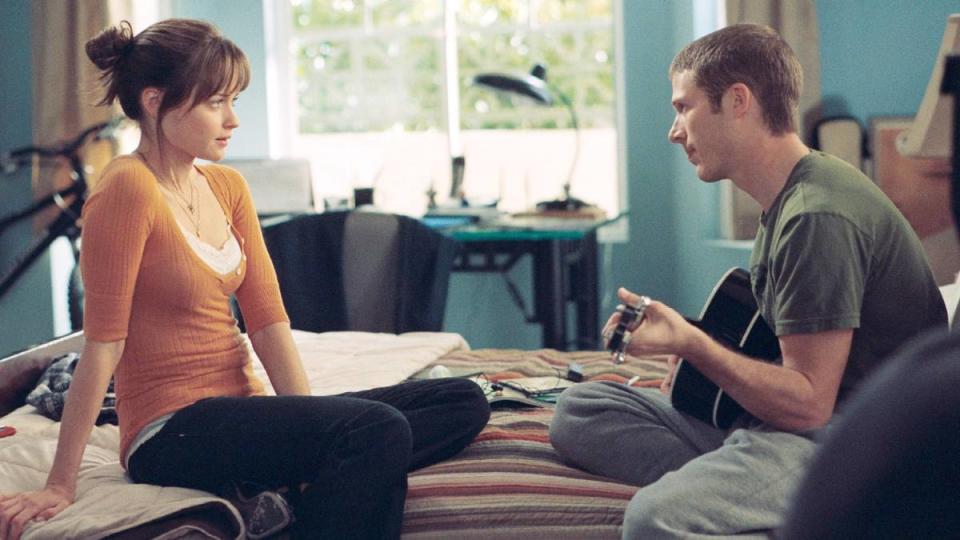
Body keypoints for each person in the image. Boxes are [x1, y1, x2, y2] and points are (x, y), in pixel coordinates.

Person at [0, 19, 490, 540]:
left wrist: (309, 421)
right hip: (170, 432)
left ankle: (298, 483)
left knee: (463, 401)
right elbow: (101, 346)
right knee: (377, 430)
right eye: (216, 102)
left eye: (235, 100)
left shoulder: (227, 186)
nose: (233, 119)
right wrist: (59, 483)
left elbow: (268, 321)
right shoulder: (125, 190)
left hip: (243, 409)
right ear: (153, 100)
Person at [548, 23, 947, 538]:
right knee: (579, 411)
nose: (674, 132)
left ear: (738, 101)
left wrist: (696, 347)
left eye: (683, 108)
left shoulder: (816, 216)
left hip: (845, 441)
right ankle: (739, 486)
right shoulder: (787, 197)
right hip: (780, 424)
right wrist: (703, 363)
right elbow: (785, 347)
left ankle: (753, 493)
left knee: (654, 517)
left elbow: (808, 403)